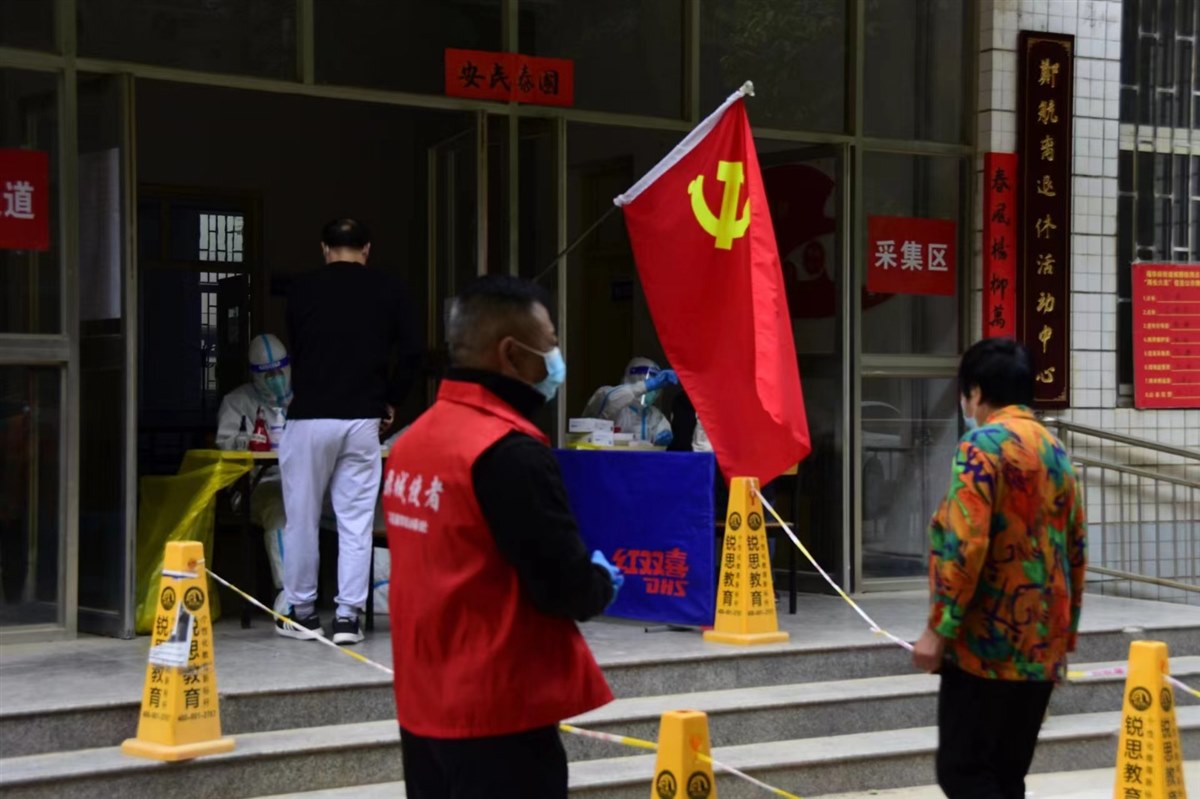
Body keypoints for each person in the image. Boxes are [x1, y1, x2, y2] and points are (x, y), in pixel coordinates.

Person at [384, 275, 620, 798]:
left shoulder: (411, 444)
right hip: (499, 713)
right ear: (512, 354)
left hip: (424, 707)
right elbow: (563, 586)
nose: (556, 359)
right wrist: (599, 581)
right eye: (551, 343)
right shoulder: (508, 453)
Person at [912, 338, 1087, 799]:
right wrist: (1064, 639)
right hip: (1041, 646)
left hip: (985, 648)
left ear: (975, 392)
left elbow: (965, 544)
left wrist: (938, 629)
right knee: (1007, 777)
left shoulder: (981, 446)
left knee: (964, 773)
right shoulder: (1055, 450)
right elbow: (1074, 550)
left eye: (965, 394)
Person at [277, 218, 419, 646]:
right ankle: (347, 619)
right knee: (355, 521)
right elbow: (411, 353)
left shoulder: (301, 289)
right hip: (362, 419)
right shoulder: (390, 289)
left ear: (324, 248)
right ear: (367, 249)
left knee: (301, 518)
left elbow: (298, 347)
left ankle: (303, 613)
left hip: (309, 416)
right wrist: (391, 399)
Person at [215, 332, 293, 614]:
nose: (276, 379)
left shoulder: (306, 398)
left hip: (306, 483)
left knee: (352, 505)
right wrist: (246, 441)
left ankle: (370, 592)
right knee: (280, 507)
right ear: (254, 375)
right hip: (256, 487)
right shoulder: (237, 402)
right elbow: (225, 445)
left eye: (280, 371)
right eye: (267, 374)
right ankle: (289, 595)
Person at [582, 356, 677, 445]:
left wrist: (665, 434)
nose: (653, 392)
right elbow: (612, 400)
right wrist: (645, 386)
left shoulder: (654, 414)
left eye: (655, 388)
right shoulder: (606, 395)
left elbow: (663, 430)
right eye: (650, 385)